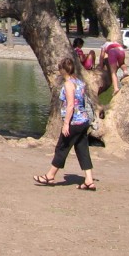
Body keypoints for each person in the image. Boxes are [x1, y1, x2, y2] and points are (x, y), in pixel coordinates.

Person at [34, 57, 96, 191]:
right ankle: (89, 180)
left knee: (62, 147)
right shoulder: (79, 82)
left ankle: (50, 176)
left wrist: (66, 124)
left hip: (74, 121)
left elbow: (70, 106)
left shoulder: (68, 84)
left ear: (62, 70)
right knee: (82, 149)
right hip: (84, 120)